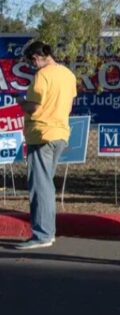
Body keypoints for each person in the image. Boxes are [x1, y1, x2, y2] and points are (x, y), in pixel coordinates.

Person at [13, 40, 77, 250]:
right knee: (46, 184)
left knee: (40, 186)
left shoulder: (42, 75)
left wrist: (21, 101)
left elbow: (35, 106)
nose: (33, 67)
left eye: (32, 62)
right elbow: (67, 105)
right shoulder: (68, 74)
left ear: (36, 57)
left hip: (41, 135)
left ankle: (42, 234)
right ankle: (46, 231)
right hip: (60, 133)